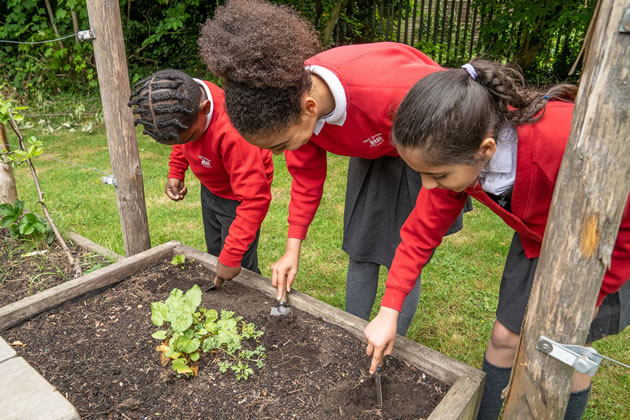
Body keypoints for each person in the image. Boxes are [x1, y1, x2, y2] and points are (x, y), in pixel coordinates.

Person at [364, 59, 630, 419]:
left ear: (487, 150)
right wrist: (389, 308)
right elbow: (420, 232)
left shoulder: (562, 143)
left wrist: (592, 296)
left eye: (437, 175)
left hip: (608, 248)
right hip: (539, 238)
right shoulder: (458, 150)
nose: (428, 186)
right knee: (506, 337)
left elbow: (623, 223)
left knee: (569, 351)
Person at [197, 0, 469, 335]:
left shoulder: (389, 93)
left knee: (402, 251)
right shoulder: (288, 97)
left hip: (426, 144)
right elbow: (306, 181)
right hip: (375, 148)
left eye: (280, 146)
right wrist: (291, 251)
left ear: (310, 108)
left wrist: (390, 307)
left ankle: (391, 338)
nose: (279, 155)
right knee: (361, 244)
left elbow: (450, 137)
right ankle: (353, 332)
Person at [128, 69, 274, 284]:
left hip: (240, 201)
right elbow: (183, 140)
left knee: (240, 265)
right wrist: (177, 170)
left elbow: (255, 199)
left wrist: (232, 256)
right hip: (212, 190)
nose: (185, 143)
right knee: (215, 252)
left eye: (191, 137)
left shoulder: (233, 132)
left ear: (205, 109)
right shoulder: (185, 100)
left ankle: (256, 299)